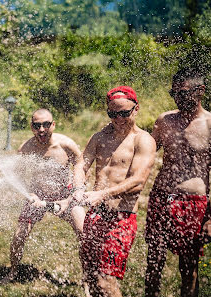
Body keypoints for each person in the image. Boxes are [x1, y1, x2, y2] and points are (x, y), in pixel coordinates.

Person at [74, 86, 156, 297]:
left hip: (121, 218)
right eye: (112, 114)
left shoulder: (143, 140)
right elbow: (82, 163)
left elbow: (138, 181)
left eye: (124, 113)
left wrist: (101, 194)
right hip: (95, 215)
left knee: (105, 281)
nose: (118, 118)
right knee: (91, 276)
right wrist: (78, 186)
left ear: (136, 109)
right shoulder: (99, 137)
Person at [145, 68, 211, 297]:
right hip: (161, 197)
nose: (177, 99)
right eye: (174, 94)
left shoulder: (209, 124)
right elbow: (145, 155)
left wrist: (209, 218)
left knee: (188, 266)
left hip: (194, 202)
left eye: (183, 94)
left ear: (200, 91)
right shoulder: (165, 121)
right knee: (153, 261)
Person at [1, 108, 84, 283]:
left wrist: (75, 190)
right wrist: (29, 193)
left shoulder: (65, 144)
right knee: (19, 235)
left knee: (84, 232)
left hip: (65, 194)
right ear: (31, 127)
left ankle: (88, 279)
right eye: (37, 126)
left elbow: (80, 162)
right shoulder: (26, 148)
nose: (42, 130)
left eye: (46, 125)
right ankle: (13, 272)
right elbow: (17, 175)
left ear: (53, 125)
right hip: (37, 195)